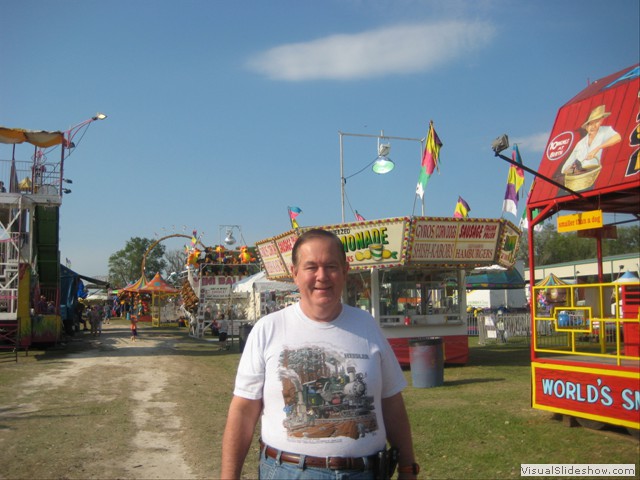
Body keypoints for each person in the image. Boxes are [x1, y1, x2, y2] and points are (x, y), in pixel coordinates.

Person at [221, 229, 418, 479]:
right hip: (289, 472)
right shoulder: (268, 329)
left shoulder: (367, 325)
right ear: (295, 273)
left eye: (331, 266)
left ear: (345, 271)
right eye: (311, 267)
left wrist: (408, 466)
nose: (322, 276)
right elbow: (243, 411)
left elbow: (391, 402)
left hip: (366, 473)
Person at [561, 104, 621, 176]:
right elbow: (565, 169)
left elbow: (618, 137)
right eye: (590, 124)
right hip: (578, 178)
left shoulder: (605, 131)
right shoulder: (580, 144)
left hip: (592, 174)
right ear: (586, 127)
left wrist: (597, 148)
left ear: (601, 121)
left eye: (597, 122)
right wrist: (573, 170)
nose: (593, 126)